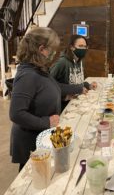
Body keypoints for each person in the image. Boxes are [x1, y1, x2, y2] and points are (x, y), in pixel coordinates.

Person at [9, 27, 84, 171]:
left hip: (43, 135)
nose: (55, 54)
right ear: (42, 49)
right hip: (31, 140)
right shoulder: (28, 75)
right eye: (53, 50)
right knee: (32, 180)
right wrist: (46, 121)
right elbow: (16, 113)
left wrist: (79, 88)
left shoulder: (39, 68)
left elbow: (55, 87)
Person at [50, 34, 97, 110]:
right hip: (63, 106)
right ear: (72, 47)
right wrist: (72, 92)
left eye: (85, 46)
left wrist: (88, 85)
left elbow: (76, 82)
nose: (83, 49)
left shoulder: (80, 61)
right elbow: (49, 84)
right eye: (80, 46)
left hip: (76, 103)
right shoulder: (62, 62)